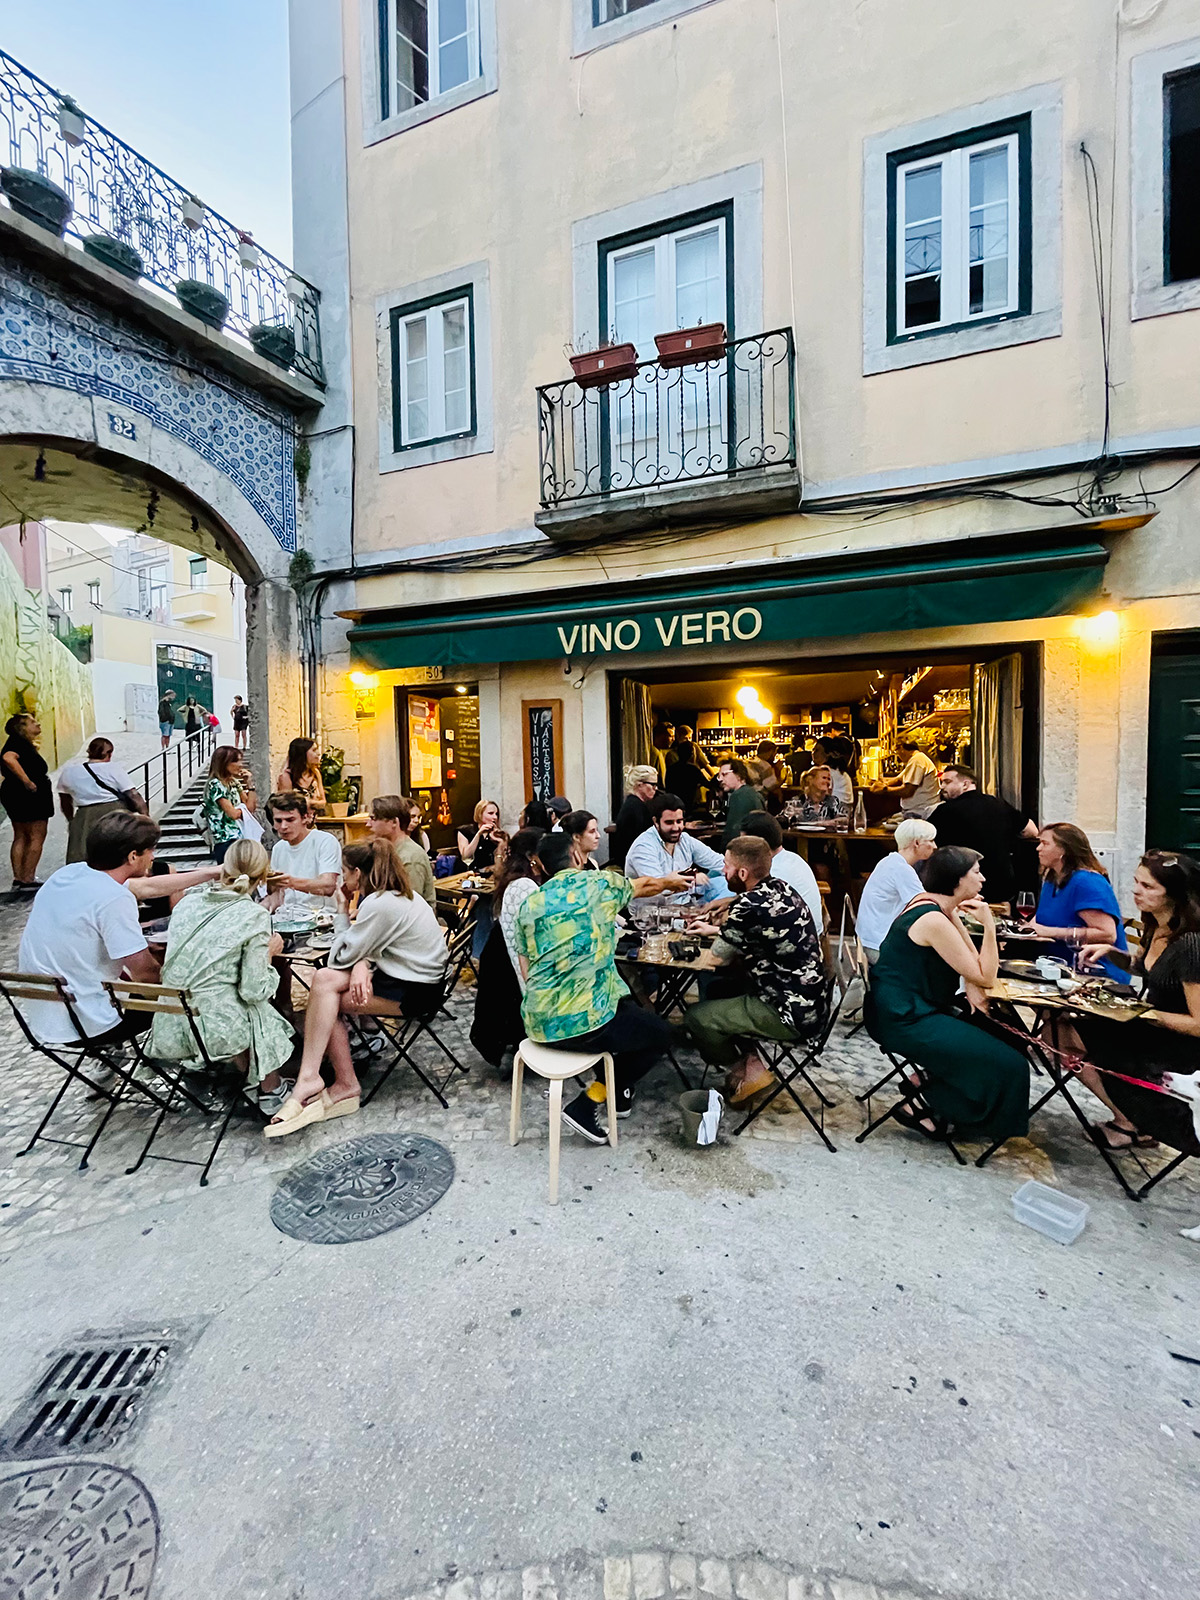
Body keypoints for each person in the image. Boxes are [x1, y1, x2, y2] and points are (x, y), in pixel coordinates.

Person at [513, 832, 688, 1141]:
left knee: (625, 1006)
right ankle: (589, 1101)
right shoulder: (598, 885)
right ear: (578, 857)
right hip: (584, 1023)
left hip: (537, 1022)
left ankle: (619, 1092)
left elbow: (526, 967)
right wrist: (671, 882)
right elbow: (644, 885)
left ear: (540, 866)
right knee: (660, 1033)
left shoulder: (530, 905)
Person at [266, 840, 448, 1136]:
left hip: (417, 992)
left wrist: (341, 910)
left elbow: (340, 956)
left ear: (358, 873)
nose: (343, 878)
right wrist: (364, 961)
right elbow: (364, 951)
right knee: (324, 982)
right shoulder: (398, 896)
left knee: (327, 995)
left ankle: (335, 1082)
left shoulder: (378, 904)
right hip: (416, 979)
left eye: (344, 872)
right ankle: (321, 1078)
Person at [866, 846, 1030, 1143]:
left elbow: (971, 963)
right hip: (903, 1017)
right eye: (976, 873)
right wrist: (989, 926)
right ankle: (923, 1102)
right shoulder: (933, 920)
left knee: (1010, 1038)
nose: (982, 879)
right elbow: (986, 975)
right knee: (1011, 1062)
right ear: (957, 880)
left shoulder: (936, 906)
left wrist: (957, 915)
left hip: (913, 1007)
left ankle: (926, 1084)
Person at [147, 839, 295, 1113]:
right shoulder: (253, 915)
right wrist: (270, 953)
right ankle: (271, 1089)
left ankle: (253, 1082)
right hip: (213, 1031)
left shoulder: (187, 904)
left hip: (171, 1022)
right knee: (254, 1004)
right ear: (263, 876)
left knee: (219, 993)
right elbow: (254, 989)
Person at [682, 835, 829, 1103]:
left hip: (786, 1013)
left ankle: (745, 1067)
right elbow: (759, 927)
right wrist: (719, 926)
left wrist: (703, 936)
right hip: (813, 1002)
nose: (722, 871)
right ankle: (749, 1057)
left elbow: (717, 959)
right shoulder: (782, 888)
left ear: (742, 872)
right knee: (719, 988)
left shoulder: (747, 905)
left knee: (696, 1017)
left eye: (725, 866)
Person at [1072, 851, 1200, 1152]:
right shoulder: (1158, 924)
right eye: (1136, 882)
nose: (1136, 891)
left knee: (1081, 1034)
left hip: (1180, 1047)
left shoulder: (1191, 944)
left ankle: (1133, 1123)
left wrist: (1142, 1014)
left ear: (1175, 895)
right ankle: (1129, 1117)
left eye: (1148, 886)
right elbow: (1147, 968)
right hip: (1151, 1027)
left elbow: (1198, 1024)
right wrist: (1111, 952)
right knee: (1062, 1028)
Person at [17, 812, 162, 1046]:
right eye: (151, 850)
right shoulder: (114, 897)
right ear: (133, 856)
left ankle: (107, 1062)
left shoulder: (66, 875)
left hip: (48, 1019)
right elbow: (145, 973)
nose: (153, 857)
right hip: (93, 1024)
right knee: (191, 987)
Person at [470, 828, 544, 1068]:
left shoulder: (520, 877)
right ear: (533, 855)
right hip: (506, 960)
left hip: (500, 953)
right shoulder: (524, 885)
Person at [1031, 823, 1128, 981]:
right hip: (1053, 965)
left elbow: (1108, 934)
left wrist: (1049, 932)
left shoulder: (1087, 882)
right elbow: (1042, 918)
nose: (1038, 849)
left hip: (1092, 971)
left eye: (1045, 844)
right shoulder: (1052, 879)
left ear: (1064, 850)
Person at [931, 765, 1038, 907]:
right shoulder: (999, 804)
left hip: (962, 889)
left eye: (948, 782)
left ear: (965, 784)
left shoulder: (944, 811)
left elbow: (925, 839)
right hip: (1002, 885)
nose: (943, 787)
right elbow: (1032, 831)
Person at [855, 818, 938, 960]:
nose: (935, 846)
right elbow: (925, 905)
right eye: (930, 841)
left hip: (869, 940)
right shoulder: (901, 869)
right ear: (916, 843)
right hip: (879, 946)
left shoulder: (890, 861)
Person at [625, 792, 730, 903]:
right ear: (656, 822)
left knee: (725, 884)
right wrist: (692, 879)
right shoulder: (644, 846)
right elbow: (657, 887)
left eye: (679, 821)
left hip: (686, 902)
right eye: (669, 823)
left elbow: (718, 862)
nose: (676, 828)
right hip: (653, 911)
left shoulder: (685, 839)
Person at [58, 737, 148, 865]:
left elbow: (65, 799)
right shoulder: (113, 769)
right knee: (117, 848)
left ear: (89, 751)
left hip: (84, 815)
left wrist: (72, 820)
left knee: (82, 853)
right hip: (114, 811)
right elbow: (133, 795)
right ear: (109, 753)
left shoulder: (70, 772)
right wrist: (145, 817)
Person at [739, 810, 824, 934]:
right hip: (808, 934)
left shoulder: (773, 872)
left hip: (800, 942)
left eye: (743, 843)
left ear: (759, 844)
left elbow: (755, 919)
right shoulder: (792, 857)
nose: (740, 849)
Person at [1, 713, 55, 894]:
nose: (37, 723)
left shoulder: (18, 743)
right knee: (36, 835)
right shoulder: (17, 743)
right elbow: (8, 758)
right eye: (32, 721)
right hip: (30, 795)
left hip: (14, 793)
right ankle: (28, 877)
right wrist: (27, 781)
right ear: (21, 727)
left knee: (21, 835)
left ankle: (20, 877)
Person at [267, 792, 341, 908]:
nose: (283, 827)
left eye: (290, 820)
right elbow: (275, 898)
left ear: (305, 818)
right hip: (286, 917)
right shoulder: (278, 848)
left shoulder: (325, 841)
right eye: (278, 821)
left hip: (320, 916)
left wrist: (291, 882)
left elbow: (328, 886)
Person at [365, 794, 436, 909]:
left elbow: (410, 906)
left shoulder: (411, 858)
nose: (368, 824)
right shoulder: (386, 850)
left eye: (373, 819)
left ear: (394, 822)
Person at [202, 745, 255, 864]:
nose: (240, 764)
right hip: (225, 839)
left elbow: (250, 807)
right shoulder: (215, 784)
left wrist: (250, 784)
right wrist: (243, 810)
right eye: (236, 761)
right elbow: (232, 814)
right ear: (224, 763)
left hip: (240, 836)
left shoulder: (233, 782)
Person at [876, 736, 939, 818]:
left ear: (901, 748)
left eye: (896, 751)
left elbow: (907, 791)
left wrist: (884, 790)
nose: (898, 755)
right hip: (917, 810)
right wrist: (883, 783)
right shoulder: (916, 759)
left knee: (884, 824)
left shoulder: (917, 760)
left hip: (921, 812)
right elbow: (899, 779)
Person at [610, 766, 658, 869]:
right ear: (639, 785)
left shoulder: (634, 805)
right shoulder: (635, 808)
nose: (656, 788)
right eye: (652, 785)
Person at [717, 758, 766, 846]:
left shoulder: (740, 796)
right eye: (719, 775)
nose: (720, 779)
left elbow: (733, 833)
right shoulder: (753, 793)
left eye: (724, 774)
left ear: (738, 775)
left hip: (744, 851)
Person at [276, 736, 326, 813]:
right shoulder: (287, 777)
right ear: (303, 754)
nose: (318, 754)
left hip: (312, 821)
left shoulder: (315, 773)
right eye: (314, 750)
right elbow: (287, 805)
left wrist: (305, 802)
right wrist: (313, 803)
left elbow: (323, 802)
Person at [458, 798, 506, 871]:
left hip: (489, 873)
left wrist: (499, 841)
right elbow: (466, 856)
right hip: (468, 873)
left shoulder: (499, 834)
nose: (495, 817)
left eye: (496, 814)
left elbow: (504, 860)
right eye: (490, 813)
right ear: (480, 814)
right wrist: (478, 834)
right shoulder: (465, 831)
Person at [665, 739, 709, 811]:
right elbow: (707, 784)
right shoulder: (693, 769)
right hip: (689, 806)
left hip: (673, 805)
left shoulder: (671, 769)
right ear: (691, 754)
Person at [812, 737, 853, 809]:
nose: (813, 753)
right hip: (844, 814)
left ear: (828, 754)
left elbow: (819, 799)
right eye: (813, 750)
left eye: (817, 750)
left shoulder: (826, 773)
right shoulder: (842, 773)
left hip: (833, 815)